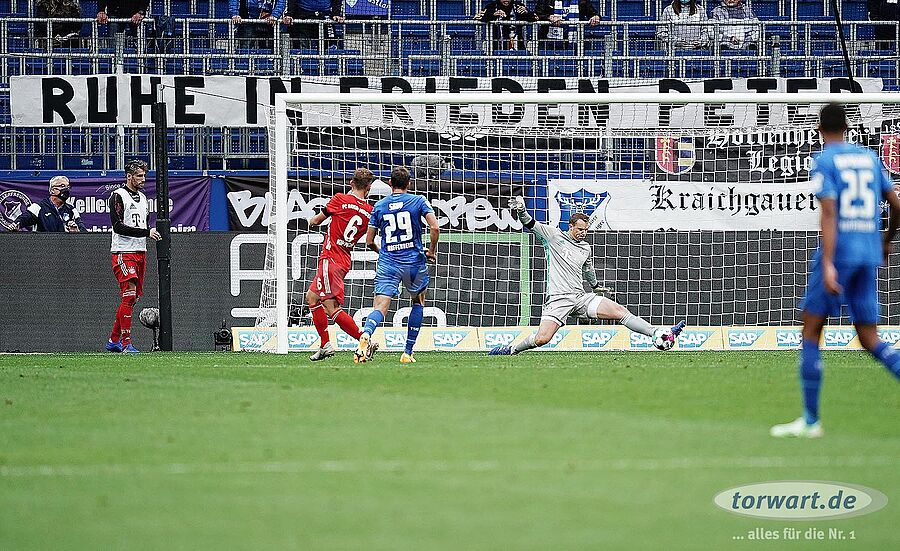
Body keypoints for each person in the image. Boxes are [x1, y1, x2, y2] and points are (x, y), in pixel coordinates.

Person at [771, 103, 900, 438]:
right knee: (870, 338)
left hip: (840, 253)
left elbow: (828, 212)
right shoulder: (870, 158)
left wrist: (828, 263)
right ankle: (809, 421)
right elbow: (896, 204)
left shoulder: (824, 160)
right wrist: (886, 241)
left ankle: (810, 421)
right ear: (847, 128)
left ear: (818, 129)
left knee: (812, 329)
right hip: (868, 252)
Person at [489, 197, 686, 356]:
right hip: (559, 299)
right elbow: (530, 223)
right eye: (580, 229)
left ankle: (658, 333)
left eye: (586, 230)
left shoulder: (585, 247)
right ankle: (512, 350)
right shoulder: (552, 236)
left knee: (620, 311)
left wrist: (595, 286)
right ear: (570, 226)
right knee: (542, 339)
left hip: (580, 298)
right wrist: (521, 211)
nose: (583, 233)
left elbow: (588, 269)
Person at [355, 167, 440, 364]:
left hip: (388, 263)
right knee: (418, 302)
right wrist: (431, 251)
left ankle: (366, 333)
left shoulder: (379, 206)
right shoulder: (418, 201)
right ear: (409, 184)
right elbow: (435, 227)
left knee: (380, 306)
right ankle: (407, 353)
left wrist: (383, 254)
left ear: (390, 183)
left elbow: (369, 241)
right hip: (413, 262)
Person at [306, 168, 376, 362]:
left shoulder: (339, 199)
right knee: (312, 297)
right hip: (344, 258)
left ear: (351, 183)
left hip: (330, 258)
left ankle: (364, 340)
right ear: (369, 188)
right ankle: (325, 344)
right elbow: (369, 239)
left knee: (331, 307)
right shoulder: (370, 212)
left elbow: (317, 220)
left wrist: (311, 221)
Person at [106, 160, 161, 354]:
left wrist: (146, 233)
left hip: (140, 251)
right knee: (129, 294)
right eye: (139, 175)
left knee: (132, 298)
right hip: (123, 251)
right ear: (129, 176)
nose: (143, 179)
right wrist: (146, 233)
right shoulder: (118, 196)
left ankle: (113, 340)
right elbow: (118, 226)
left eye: (144, 175)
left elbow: (143, 223)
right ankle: (125, 343)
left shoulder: (144, 198)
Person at [11, 176, 87, 233]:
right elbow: (23, 219)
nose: (66, 189)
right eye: (62, 186)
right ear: (52, 190)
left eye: (68, 187)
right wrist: (16, 225)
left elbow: (83, 232)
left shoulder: (72, 210)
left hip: (63, 247)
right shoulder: (38, 207)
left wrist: (77, 231)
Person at [473, 0, 538, 52]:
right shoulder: (492, 6)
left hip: (518, 46)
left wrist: (527, 13)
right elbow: (478, 17)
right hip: (496, 46)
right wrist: (493, 14)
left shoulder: (518, 6)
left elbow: (535, 18)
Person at [534, 1, 600, 43]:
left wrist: (595, 17)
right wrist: (549, 17)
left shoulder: (582, 1)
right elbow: (537, 14)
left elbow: (593, 13)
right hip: (549, 41)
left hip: (575, 41)